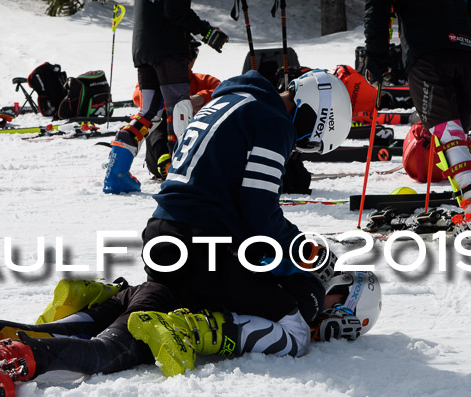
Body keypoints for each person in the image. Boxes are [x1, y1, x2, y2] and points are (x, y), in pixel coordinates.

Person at [0, 273, 381, 397]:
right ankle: (5, 362)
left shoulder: (280, 274)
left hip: (138, 288)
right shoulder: (293, 314)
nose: (342, 325)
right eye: (348, 313)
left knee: (50, 329)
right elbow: (237, 330)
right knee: (103, 354)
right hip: (161, 307)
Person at [135, 69, 354, 355]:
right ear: (316, 113)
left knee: (170, 299)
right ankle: (192, 332)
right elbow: (258, 213)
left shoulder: (228, 100)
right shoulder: (274, 121)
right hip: (198, 246)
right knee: (297, 333)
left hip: (161, 234)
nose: (299, 147)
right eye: (309, 141)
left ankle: (108, 302)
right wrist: (300, 251)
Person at [363, 0, 471, 241]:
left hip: (428, 54)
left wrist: (376, 59)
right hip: (466, 54)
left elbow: (378, 11)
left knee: (450, 141)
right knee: (457, 143)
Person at [102, 0, 228, 194]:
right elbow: (175, 10)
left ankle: (117, 173)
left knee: (149, 112)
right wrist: (207, 32)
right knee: (179, 110)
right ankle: (183, 178)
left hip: (143, 47)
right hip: (168, 48)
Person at [132, 37, 222, 180]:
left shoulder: (203, 81)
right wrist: (172, 101)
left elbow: (223, 91)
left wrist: (200, 98)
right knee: (159, 118)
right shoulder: (154, 81)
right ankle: (166, 161)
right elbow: (138, 97)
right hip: (159, 151)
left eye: (187, 61)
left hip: (196, 142)